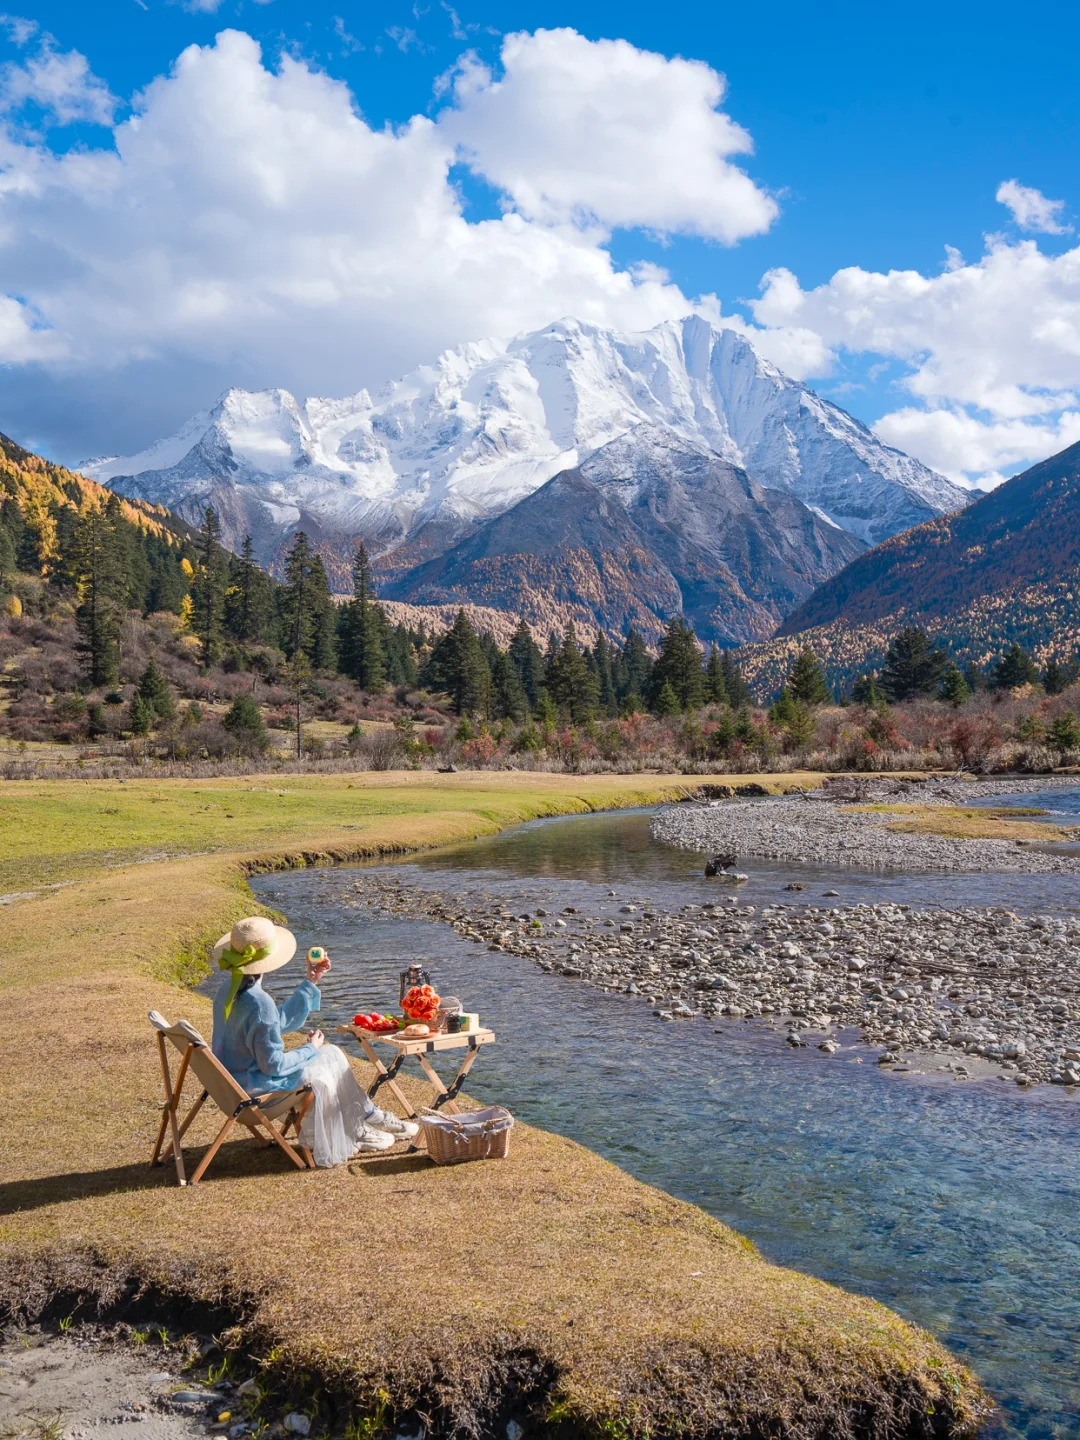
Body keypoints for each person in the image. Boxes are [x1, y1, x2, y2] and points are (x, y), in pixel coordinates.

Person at [210, 915, 418, 1166]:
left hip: (232, 1084)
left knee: (329, 1054)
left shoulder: (228, 990)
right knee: (330, 1057)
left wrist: (311, 981)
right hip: (258, 1090)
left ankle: (366, 1119)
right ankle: (365, 1120)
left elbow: (272, 1023)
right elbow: (273, 1066)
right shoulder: (257, 1001)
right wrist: (310, 1048)